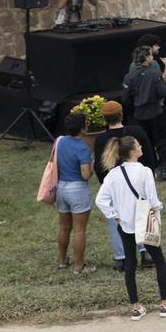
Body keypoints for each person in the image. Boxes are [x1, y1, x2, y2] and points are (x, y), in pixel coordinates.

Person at [95, 136, 166, 319]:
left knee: (130, 263)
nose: (141, 146)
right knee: (159, 260)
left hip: (125, 225)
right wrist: (159, 207)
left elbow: (100, 200)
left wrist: (116, 216)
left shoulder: (113, 174)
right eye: (138, 145)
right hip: (145, 221)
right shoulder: (144, 171)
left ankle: (136, 307)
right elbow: (152, 199)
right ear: (132, 151)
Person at [93, 101, 153, 272]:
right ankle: (146, 251)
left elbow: (99, 166)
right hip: (138, 180)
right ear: (121, 115)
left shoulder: (101, 139)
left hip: (114, 186)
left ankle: (122, 257)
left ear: (105, 118)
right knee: (141, 214)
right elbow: (148, 155)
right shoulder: (136, 132)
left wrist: (106, 184)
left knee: (116, 220)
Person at [122, 46, 166, 180]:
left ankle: (149, 167)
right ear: (145, 58)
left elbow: (125, 98)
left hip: (139, 115)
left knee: (145, 141)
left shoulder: (129, 76)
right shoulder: (155, 73)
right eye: (150, 55)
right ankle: (163, 167)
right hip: (156, 112)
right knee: (161, 140)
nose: (152, 57)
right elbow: (162, 92)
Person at [53, 112, 94, 273]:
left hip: (61, 188)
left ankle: (63, 260)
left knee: (64, 227)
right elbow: (85, 175)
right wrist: (91, 165)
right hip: (77, 189)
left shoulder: (60, 141)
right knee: (79, 229)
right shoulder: (83, 148)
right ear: (83, 129)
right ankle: (79, 265)